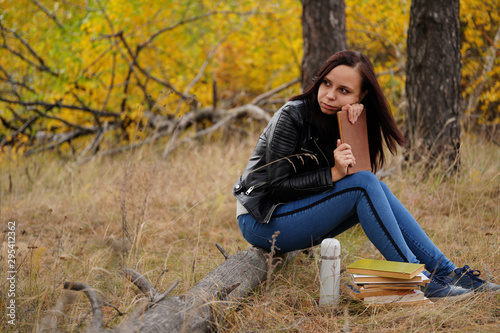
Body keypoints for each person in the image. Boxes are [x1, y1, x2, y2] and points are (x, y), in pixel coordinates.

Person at [233, 50, 499, 301]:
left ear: (362, 96)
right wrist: (334, 173)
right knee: (365, 186)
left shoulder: (340, 116)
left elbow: (359, 173)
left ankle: (449, 273)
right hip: (262, 221)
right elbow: (279, 188)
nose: (329, 95)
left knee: (374, 187)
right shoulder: (290, 116)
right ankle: (420, 281)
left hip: (297, 213)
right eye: (326, 83)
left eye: (344, 90)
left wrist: (353, 126)